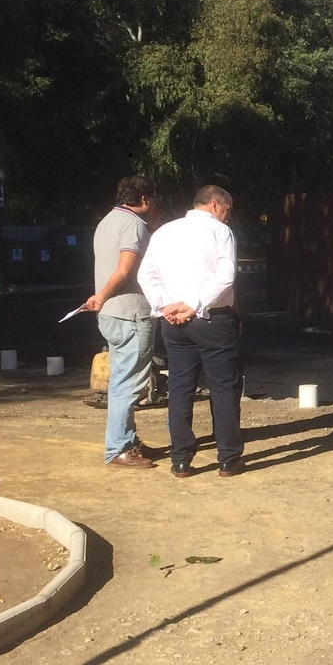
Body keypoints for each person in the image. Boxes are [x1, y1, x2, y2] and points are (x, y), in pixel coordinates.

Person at [138, 184, 243, 478]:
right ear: (214, 205)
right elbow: (226, 277)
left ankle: (181, 459)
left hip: (174, 322)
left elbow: (146, 274)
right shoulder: (221, 232)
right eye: (227, 209)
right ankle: (228, 458)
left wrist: (165, 305)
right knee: (224, 387)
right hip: (211, 319)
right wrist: (194, 305)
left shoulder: (164, 232)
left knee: (180, 388)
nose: (228, 216)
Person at [80, 175, 160, 468]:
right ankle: (120, 448)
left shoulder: (107, 222)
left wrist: (101, 299)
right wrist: (101, 295)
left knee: (119, 381)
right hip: (131, 312)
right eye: (154, 199)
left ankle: (127, 439)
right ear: (145, 200)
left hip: (112, 315)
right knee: (128, 384)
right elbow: (126, 270)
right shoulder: (134, 225)